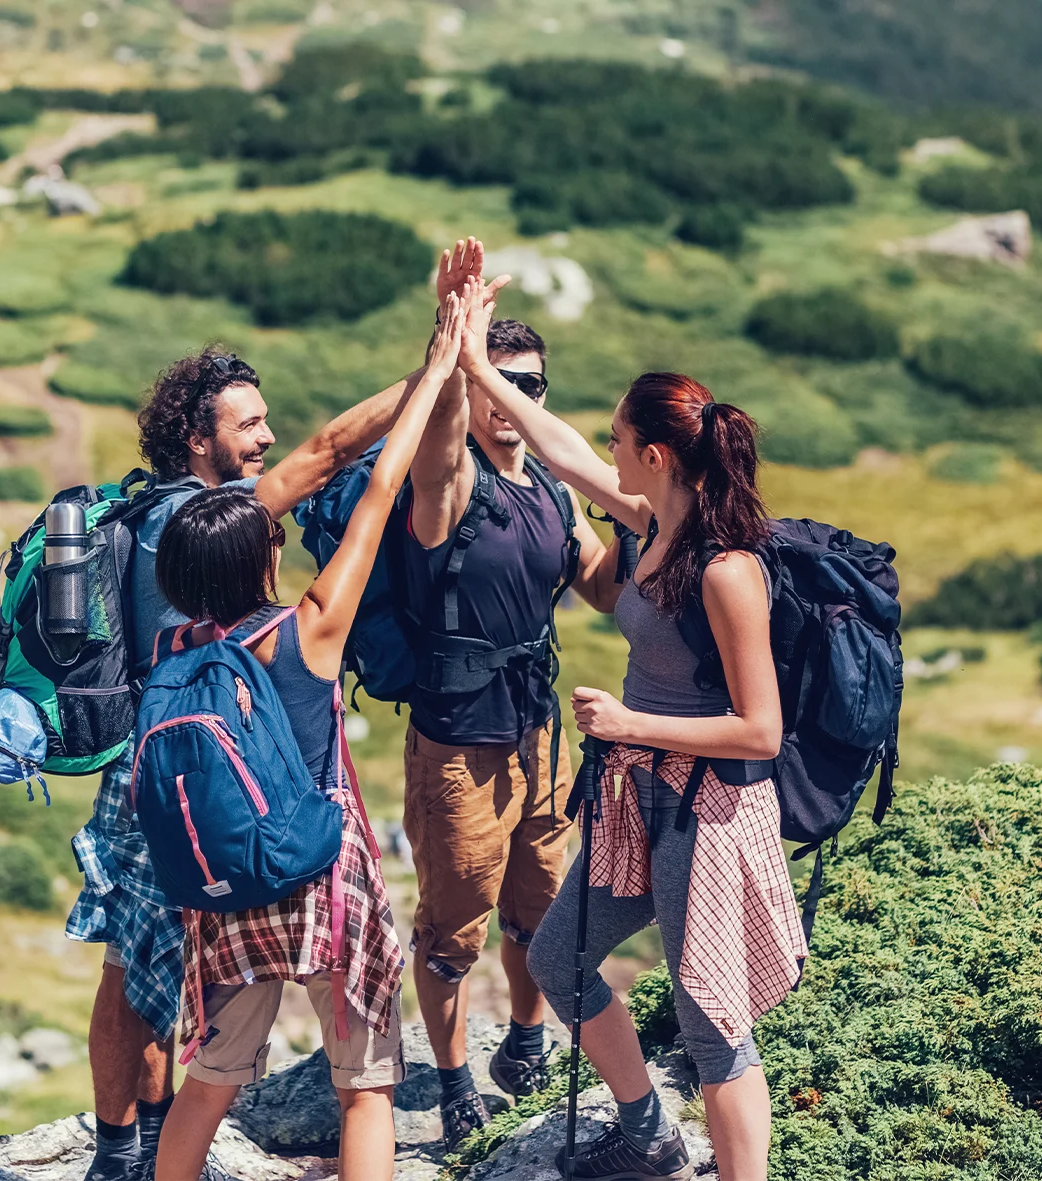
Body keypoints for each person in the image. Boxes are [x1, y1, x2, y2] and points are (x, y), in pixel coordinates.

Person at [449, 276, 805, 1181]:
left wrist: (629, 719)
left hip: (710, 812)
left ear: (653, 453)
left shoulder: (727, 570)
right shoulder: (651, 524)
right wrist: (473, 364)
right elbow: (558, 448)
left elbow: (761, 730)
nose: (603, 446)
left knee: (710, 1017)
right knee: (560, 952)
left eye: (618, 438)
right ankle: (646, 1129)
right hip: (638, 797)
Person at [71, 345, 447, 1181]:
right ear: (198, 440)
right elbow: (355, 473)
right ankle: (114, 1148)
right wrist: (440, 364)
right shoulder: (284, 608)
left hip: (198, 832)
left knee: (169, 1012)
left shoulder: (175, 597)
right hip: (313, 871)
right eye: (249, 423)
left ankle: (125, 1151)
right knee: (365, 1089)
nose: (269, 439)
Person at [403, 239, 612, 1144]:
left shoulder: (553, 497)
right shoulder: (451, 486)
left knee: (542, 905)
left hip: (537, 737)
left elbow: (610, 584)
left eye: (536, 384)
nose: (520, 400)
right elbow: (438, 439)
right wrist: (453, 347)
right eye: (505, 381)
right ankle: (453, 1083)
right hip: (459, 744)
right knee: (455, 926)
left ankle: (524, 1040)